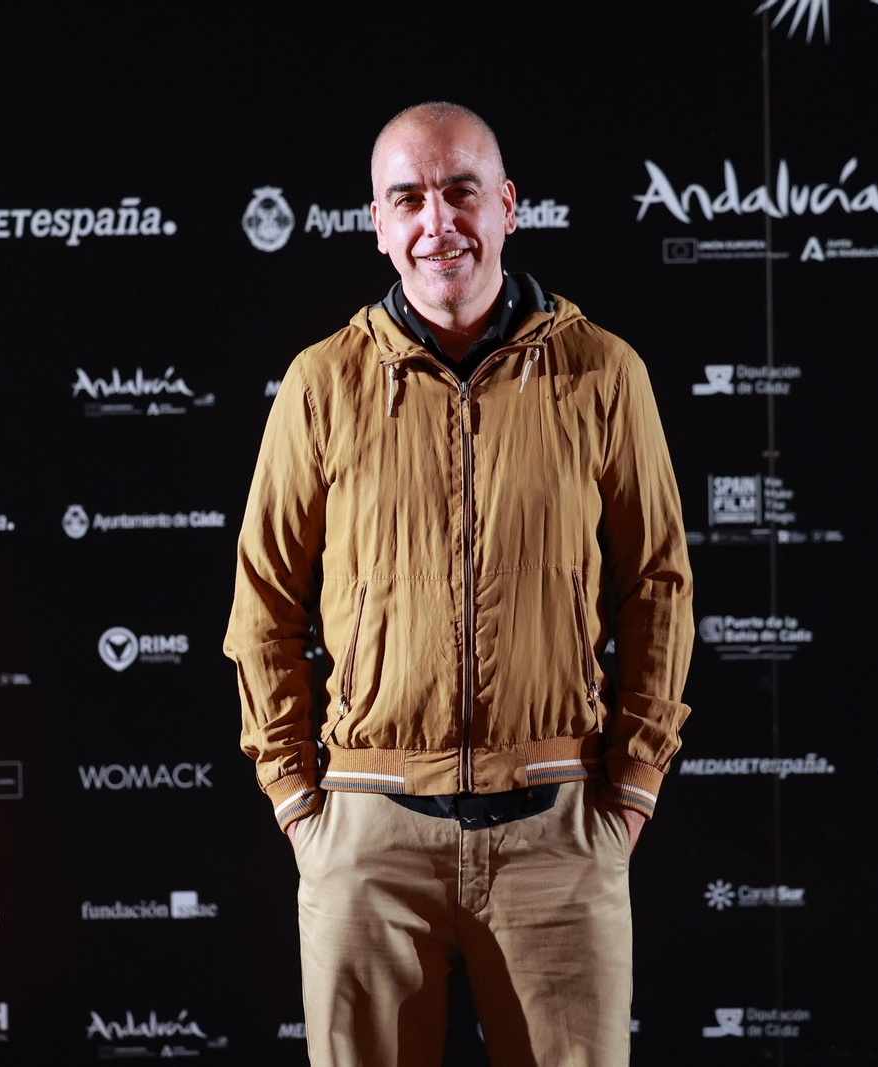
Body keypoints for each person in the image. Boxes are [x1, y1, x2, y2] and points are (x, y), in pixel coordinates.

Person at [223, 101, 693, 1067]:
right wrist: (297, 799)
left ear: (508, 205)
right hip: (367, 837)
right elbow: (263, 597)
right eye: (410, 199)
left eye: (461, 192)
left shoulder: (602, 370)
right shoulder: (323, 383)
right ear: (378, 224)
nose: (439, 222)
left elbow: (658, 581)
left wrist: (634, 784)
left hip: (559, 833)